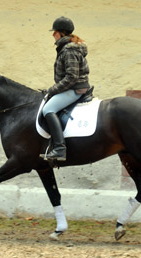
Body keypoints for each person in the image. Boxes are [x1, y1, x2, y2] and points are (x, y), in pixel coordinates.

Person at [40, 16, 90, 162]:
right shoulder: (66, 47)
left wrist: (52, 90)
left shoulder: (69, 50)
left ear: (61, 33)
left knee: (48, 110)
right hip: (72, 87)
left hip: (75, 88)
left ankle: (60, 149)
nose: (52, 35)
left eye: (54, 32)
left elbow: (72, 77)